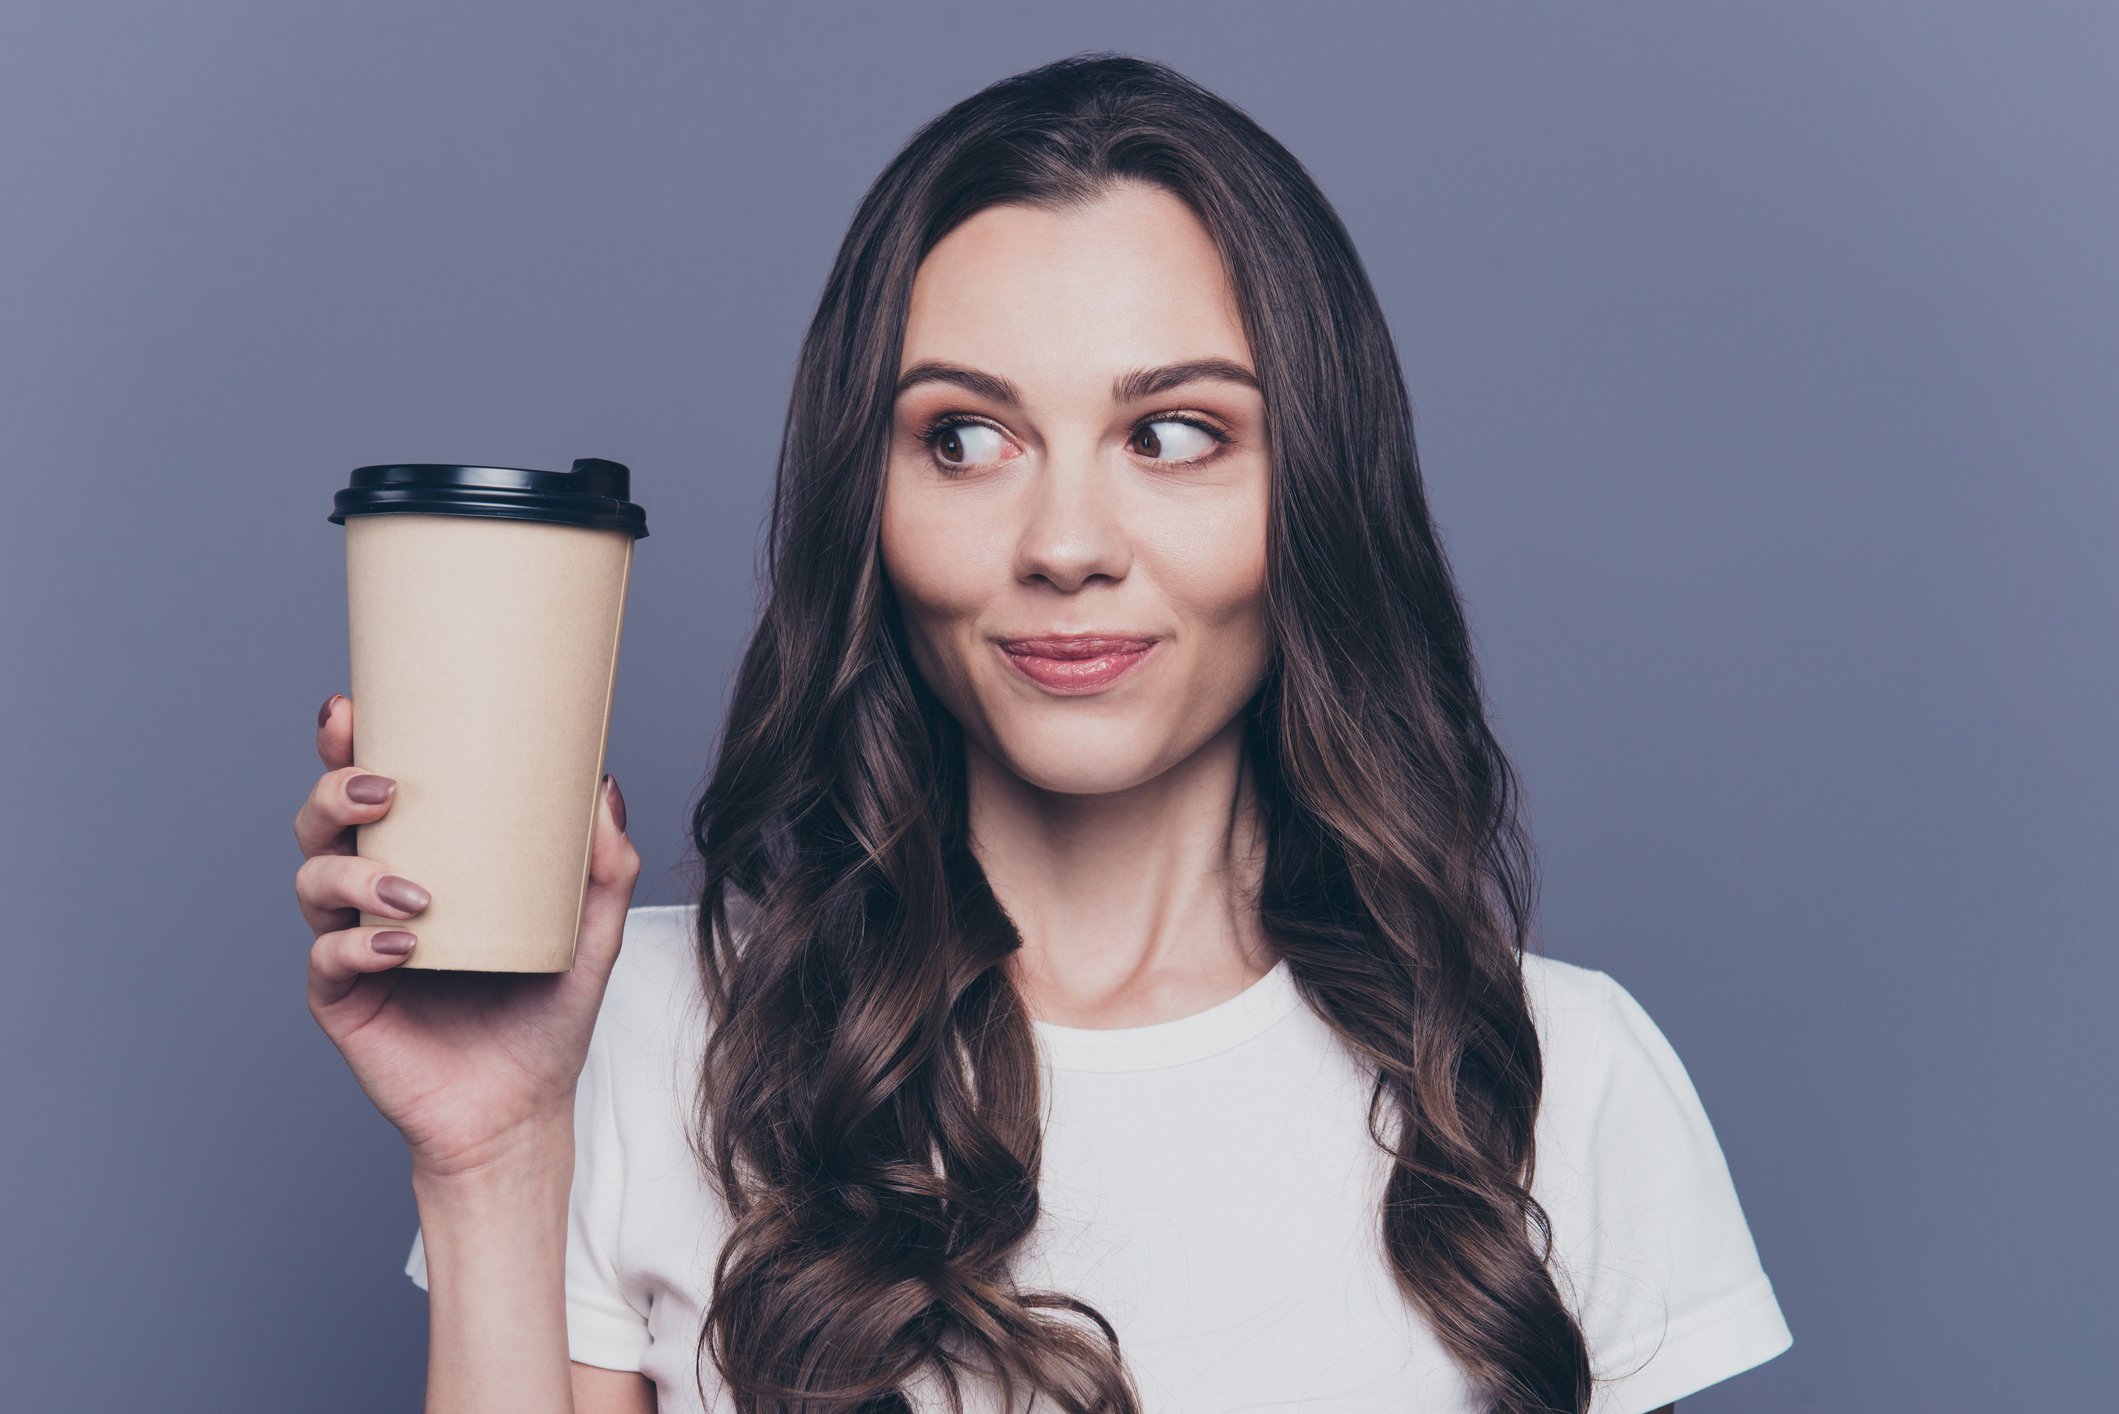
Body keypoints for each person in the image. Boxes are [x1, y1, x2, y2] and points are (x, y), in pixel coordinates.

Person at [296, 51, 1792, 1414]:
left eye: (1173, 434)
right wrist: (490, 1158)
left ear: (1312, 494)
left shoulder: (1556, 1078)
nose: (1066, 541)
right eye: (965, 437)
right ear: (868, 507)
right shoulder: (645, 1034)